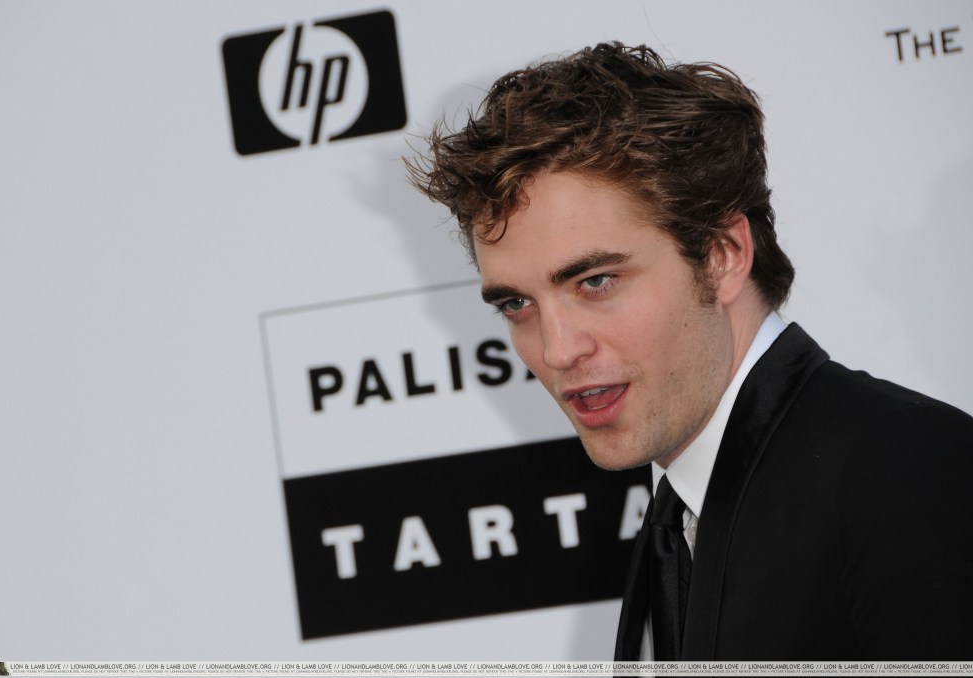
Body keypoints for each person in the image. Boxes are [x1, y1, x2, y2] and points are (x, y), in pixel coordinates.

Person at [408, 42, 973, 660]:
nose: (558, 349)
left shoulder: (904, 471)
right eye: (517, 304)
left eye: (596, 282)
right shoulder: (682, 515)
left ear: (723, 256)